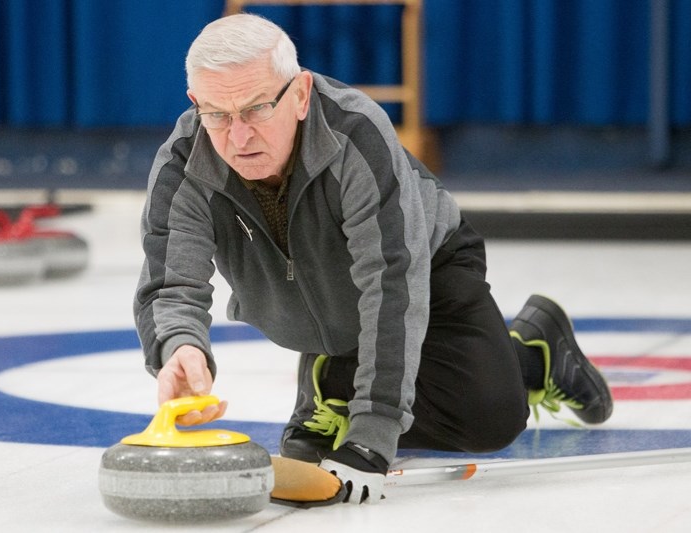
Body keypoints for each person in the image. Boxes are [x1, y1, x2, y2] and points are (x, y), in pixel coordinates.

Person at [134, 13, 613, 505]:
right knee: (400, 367)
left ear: (299, 95)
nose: (238, 137)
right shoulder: (183, 162)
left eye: (257, 109)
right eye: (217, 114)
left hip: (429, 263)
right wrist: (179, 346)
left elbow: (392, 282)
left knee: (491, 418)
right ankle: (336, 382)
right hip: (313, 308)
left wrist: (372, 433)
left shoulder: (354, 132)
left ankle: (530, 351)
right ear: (196, 104)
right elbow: (170, 285)